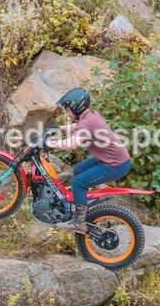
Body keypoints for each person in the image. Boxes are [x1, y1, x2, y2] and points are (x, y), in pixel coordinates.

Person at [46, 88, 131, 234]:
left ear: (76, 107)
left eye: (67, 110)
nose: (66, 113)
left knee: (78, 182)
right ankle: (82, 204)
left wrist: (49, 144)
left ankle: (79, 222)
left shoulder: (86, 122)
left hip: (116, 165)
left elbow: (72, 144)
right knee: (78, 170)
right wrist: (58, 128)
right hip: (112, 159)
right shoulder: (90, 116)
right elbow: (77, 127)